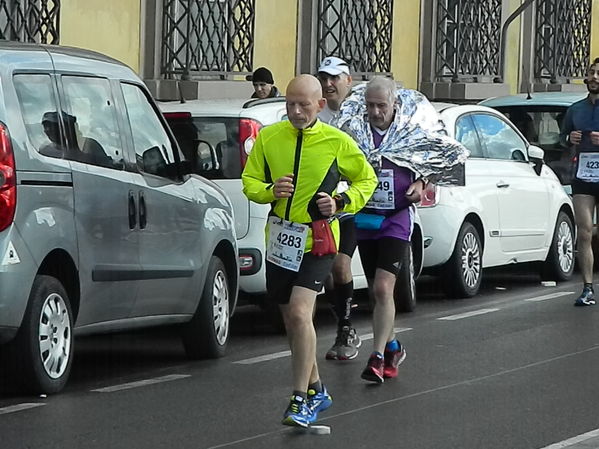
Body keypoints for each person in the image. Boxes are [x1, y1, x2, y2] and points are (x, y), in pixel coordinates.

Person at [241, 74, 377, 427]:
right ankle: (318, 389)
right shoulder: (269, 138)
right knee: (293, 322)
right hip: (280, 242)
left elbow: (367, 179)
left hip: (318, 241)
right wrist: (271, 190)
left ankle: (299, 399)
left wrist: (341, 201)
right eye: (290, 104)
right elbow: (250, 182)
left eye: (304, 105)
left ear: (319, 105)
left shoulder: (336, 141)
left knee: (302, 314)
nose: (297, 111)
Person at [335, 76, 466, 383]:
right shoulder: (355, 130)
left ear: (395, 104)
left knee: (383, 288)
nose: (375, 112)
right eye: (370, 105)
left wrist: (422, 182)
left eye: (381, 105)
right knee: (376, 292)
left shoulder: (412, 129)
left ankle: (377, 356)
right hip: (366, 216)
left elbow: (439, 161)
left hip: (397, 218)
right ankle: (393, 346)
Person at [316, 56, 361, 360]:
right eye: (324, 78)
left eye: (334, 78)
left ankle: (345, 329)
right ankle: (344, 325)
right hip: (320, 206)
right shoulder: (315, 114)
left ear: (348, 81)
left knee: (340, 266)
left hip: (350, 205)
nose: (329, 84)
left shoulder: (362, 114)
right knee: (329, 275)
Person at [560, 57, 599, 306]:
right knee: (584, 233)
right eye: (591, 72)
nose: (595, 77)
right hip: (584, 175)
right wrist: (569, 138)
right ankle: (587, 288)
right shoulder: (575, 109)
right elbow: (562, 138)